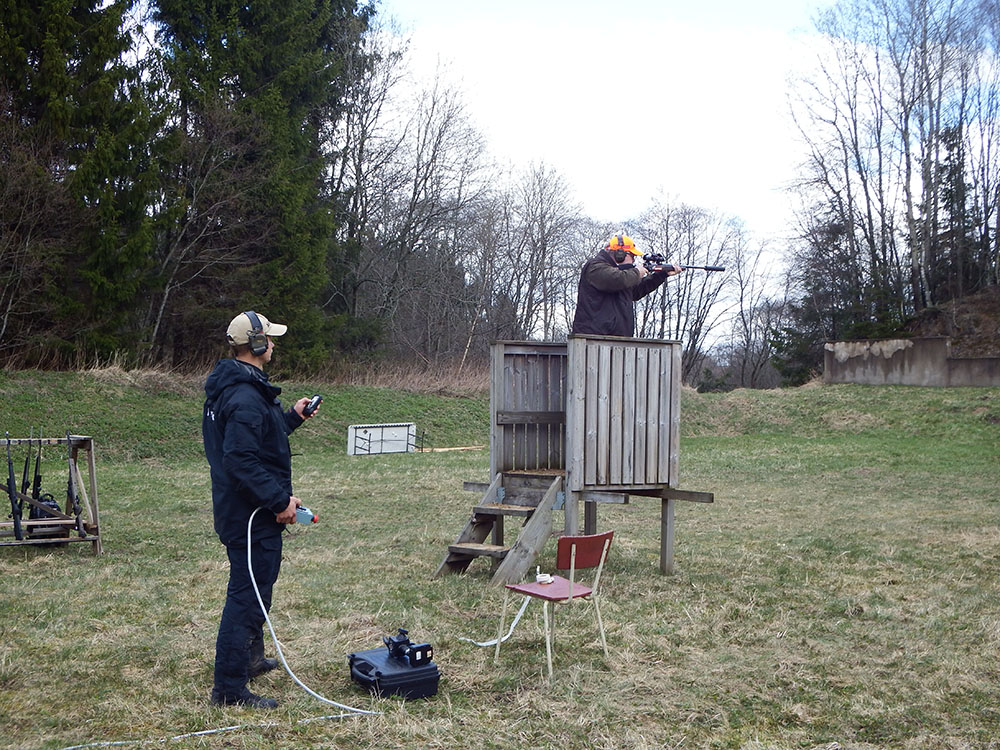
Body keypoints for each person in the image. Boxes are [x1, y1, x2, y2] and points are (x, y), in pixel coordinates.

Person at [202, 310, 319, 708]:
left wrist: (292, 417)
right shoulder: (245, 396)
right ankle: (230, 689)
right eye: (268, 338)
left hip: (242, 512)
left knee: (256, 590)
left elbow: (257, 441)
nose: (273, 344)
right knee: (247, 598)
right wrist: (280, 501)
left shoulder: (239, 390)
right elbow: (242, 461)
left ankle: (249, 660)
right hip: (251, 515)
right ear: (254, 344)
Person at [570, 234, 683, 337]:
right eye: (632, 255)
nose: (634, 259)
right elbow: (618, 280)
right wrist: (638, 272)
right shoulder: (595, 267)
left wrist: (661, 275)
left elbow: (636, 291)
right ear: (620, 254)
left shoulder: (624, 275)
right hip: (592, 339)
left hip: (617, 339)